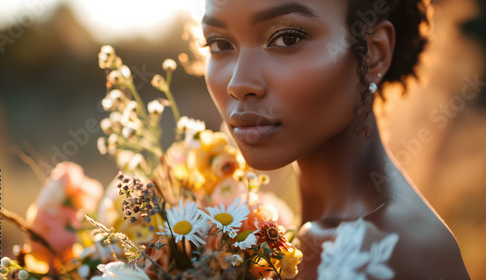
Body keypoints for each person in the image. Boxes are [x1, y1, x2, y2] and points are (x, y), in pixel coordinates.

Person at [201, 0, 470, 279]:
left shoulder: (391, 252)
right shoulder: (275, 230)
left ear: (373, 53)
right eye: (219, 44)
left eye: (287, 38)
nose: (238, 84)